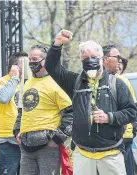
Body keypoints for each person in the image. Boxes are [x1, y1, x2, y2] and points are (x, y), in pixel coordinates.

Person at [45, 29, 137, 175]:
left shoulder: (117, 83)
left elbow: (132, 113)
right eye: (85, 57)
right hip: (83, 154)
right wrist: (58, 43)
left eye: (94, 56)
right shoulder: (75, 82)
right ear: (81, 60)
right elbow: (51, 67)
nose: (90, 60)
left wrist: (109, 117)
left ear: (102, 59)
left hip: (111, 154)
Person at [13, 45, 73, 175]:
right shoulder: (27, 83)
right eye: (29, 59)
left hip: (48, 146)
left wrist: (57, 138)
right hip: (26, 146)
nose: (31, 62)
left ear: (45, 60)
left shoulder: (57, 83)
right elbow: (21, 111)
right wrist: (17, 130)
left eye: (35, 59)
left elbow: (71, 112)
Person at [102, 44, 137, 175]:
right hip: (111, 139)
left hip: (123, 137)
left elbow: (133, 108)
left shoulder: (122, 81)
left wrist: (133, 129)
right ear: (105, 59)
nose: (119, 61)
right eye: (116, 57)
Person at [0, 51, 27, 175]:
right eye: (25, 64)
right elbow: (3, 97)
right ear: (14, 66)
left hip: (27, 139)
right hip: (8, 140)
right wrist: (14, 78)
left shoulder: (30, 83)